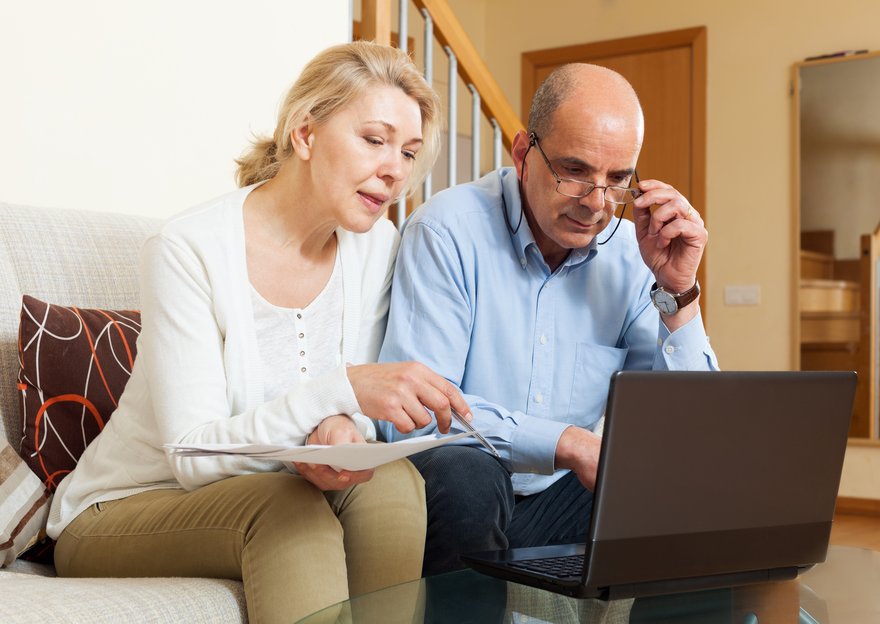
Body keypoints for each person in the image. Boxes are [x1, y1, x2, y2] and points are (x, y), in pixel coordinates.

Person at [46, 41, 471, 624]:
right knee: (288, 511)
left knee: (393, 485)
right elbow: (194, 454)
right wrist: (339, 393)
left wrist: (343, 428)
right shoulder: (188, 250)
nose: (395, 169)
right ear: (304, 133)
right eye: (374, 140)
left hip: (274, 486)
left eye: (409, 151)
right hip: (125, 507)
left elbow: (350, 408)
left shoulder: (376, 248)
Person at [378, 63, 720, 576]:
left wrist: (679, 292)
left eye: (618, 181)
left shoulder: (631, 256)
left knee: (695, 488)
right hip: (453, 487)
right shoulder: (447, 230)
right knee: (468, 474)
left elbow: (694, 426)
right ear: (522, 154)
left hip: (554, 497)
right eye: (575, 172)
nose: (597, 205)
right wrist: (567, 443)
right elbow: (418, 415)